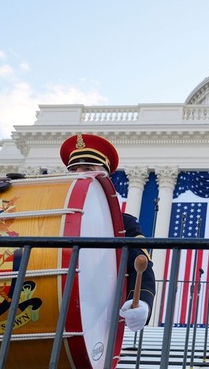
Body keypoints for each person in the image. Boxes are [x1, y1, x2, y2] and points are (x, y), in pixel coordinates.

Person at [60, 133, 156, 333]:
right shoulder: (49, 217)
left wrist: (142, 302)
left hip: (92, 315)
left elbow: (140, 262)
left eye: (88, 169)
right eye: (74, 170)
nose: (80, 175)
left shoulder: (122, 223)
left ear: (104, 180)